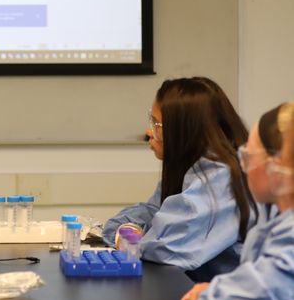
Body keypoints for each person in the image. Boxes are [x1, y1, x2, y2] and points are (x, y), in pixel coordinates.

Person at [102, 78, 254, 276]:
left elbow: (166, 249)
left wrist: (134, 239)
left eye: (157, 125)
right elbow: (146, 214)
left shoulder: (221, 178)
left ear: (185, 129)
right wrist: (130, 232)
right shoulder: (190, 169)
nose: (149, 132)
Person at [180, 103, 294, 300]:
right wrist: (220, 290)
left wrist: (214, 296)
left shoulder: (288, 238)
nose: (243, 167)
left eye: (248, 156)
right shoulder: (272, 220)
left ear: (276, 164)